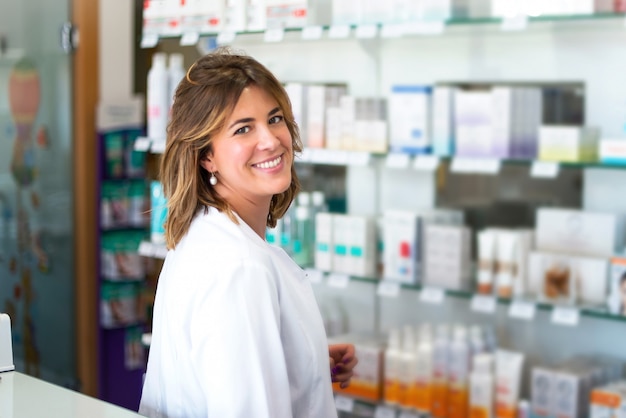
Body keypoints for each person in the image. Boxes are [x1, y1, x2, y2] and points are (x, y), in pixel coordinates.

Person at [139, 47, 357, 418]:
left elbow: (219, 368)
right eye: (243, 129)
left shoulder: (204, 234)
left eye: (274, 119)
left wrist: (304, 361)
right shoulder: (240, 268)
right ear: (206, 155)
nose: (271, 140)